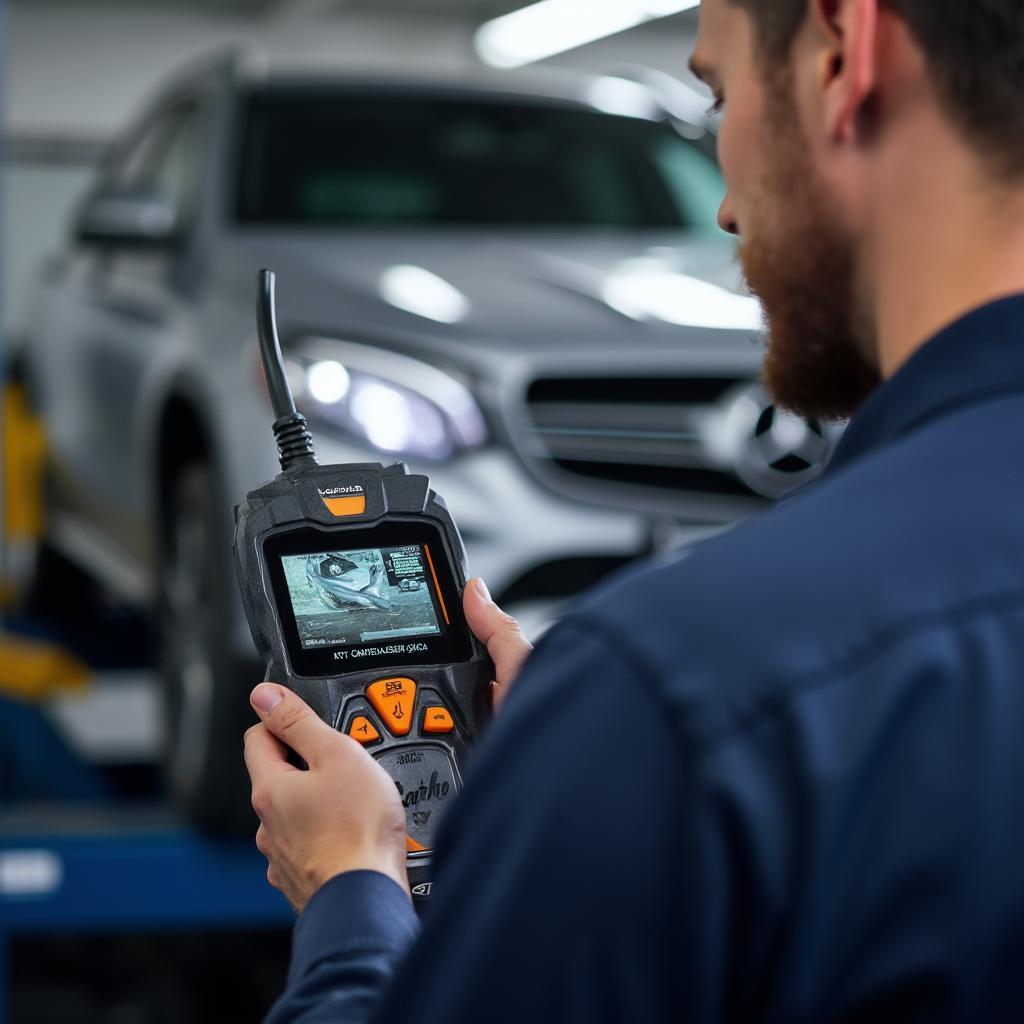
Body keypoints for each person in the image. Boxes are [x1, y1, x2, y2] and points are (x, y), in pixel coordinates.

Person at [243, 0, 1024, 1018]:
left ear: (842, 50)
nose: (723, 208)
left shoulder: (683, 694)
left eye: (720, 96)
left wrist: (350, 890)